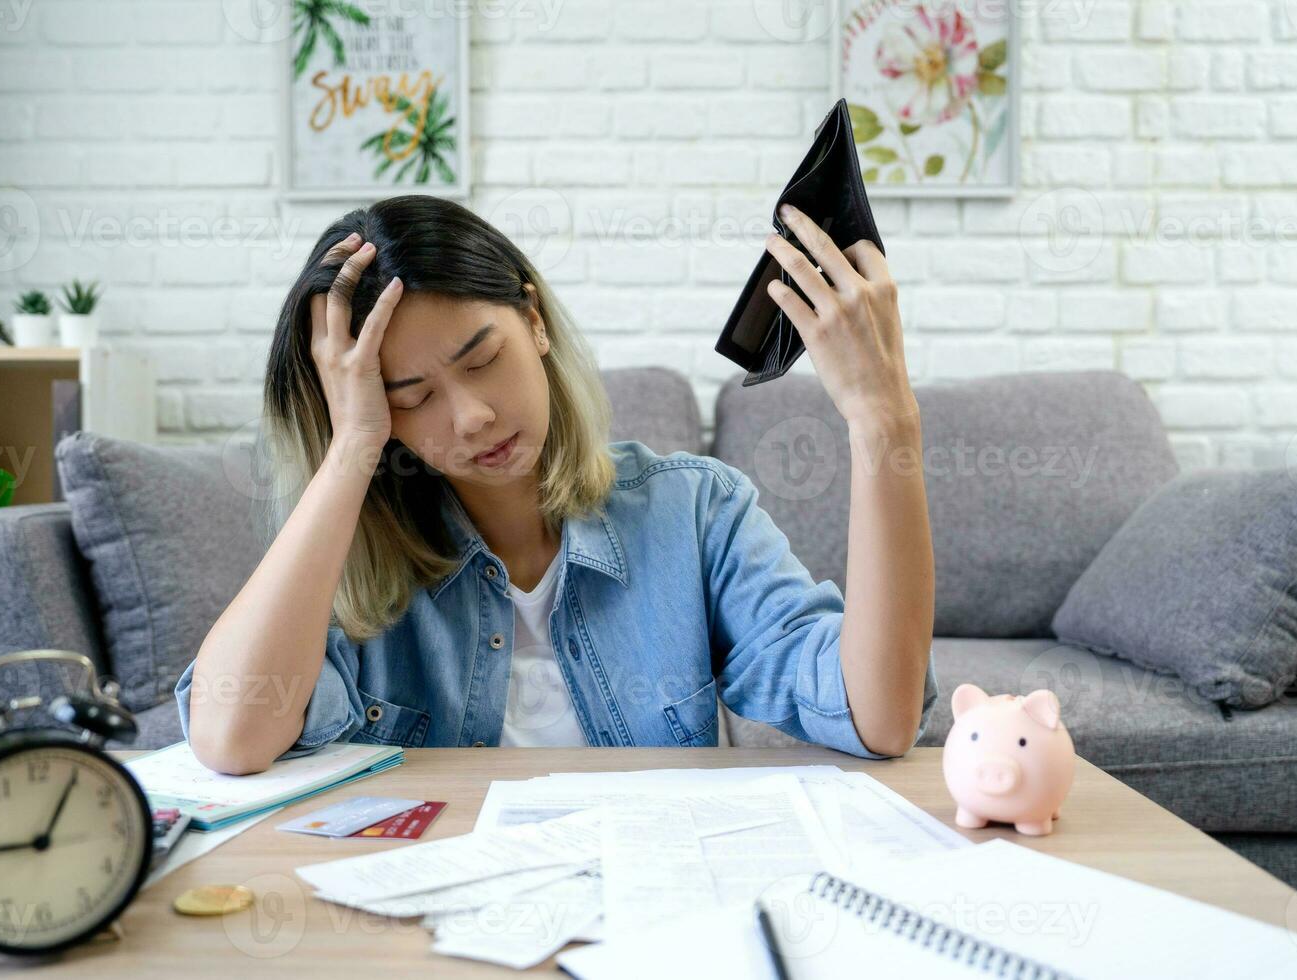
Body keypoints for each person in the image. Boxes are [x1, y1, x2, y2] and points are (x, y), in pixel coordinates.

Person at [175, 194, 936, 774]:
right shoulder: (347, 557)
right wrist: (351, 450)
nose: (470, 416)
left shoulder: (695, 511)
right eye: (410, 397)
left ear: (533, 321)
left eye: (481, 360)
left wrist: (883, 422)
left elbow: (879, 717)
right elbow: (231, 737)